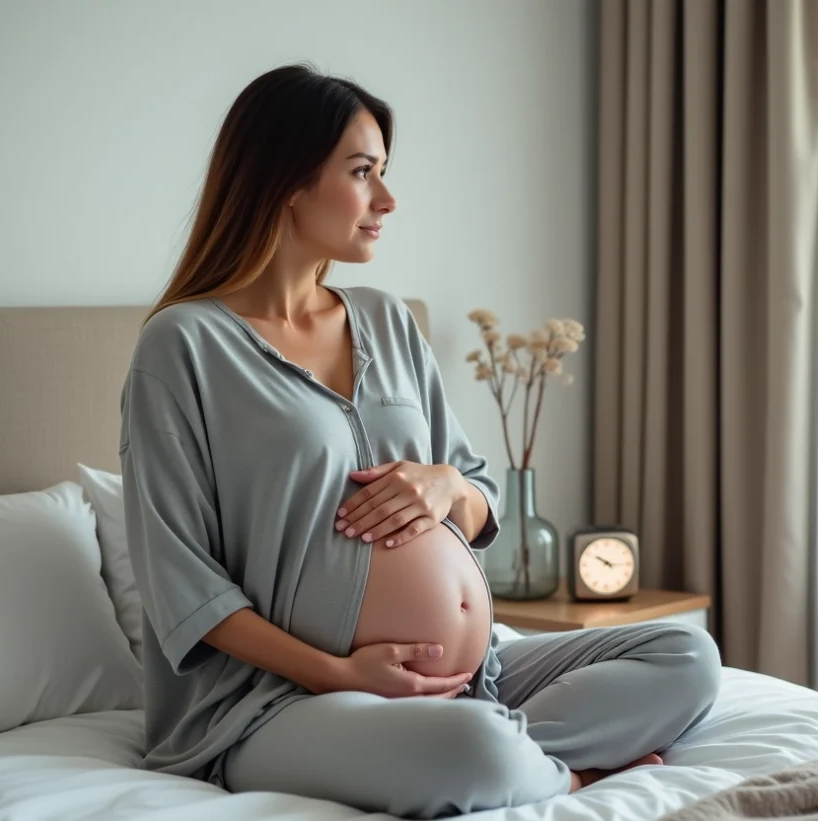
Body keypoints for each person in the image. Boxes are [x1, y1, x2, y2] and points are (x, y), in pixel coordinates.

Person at [119, 62, 721, 820]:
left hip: (480, 672)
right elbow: (186, 589)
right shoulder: (185, 346)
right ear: (287, 180)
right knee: (469, 750)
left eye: (383, 173)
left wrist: (447, 486)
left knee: (687, 657)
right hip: (275, 702)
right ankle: (550, 773)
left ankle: (502, 746)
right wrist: (341, 673)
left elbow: (478, 494)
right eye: (363, 172)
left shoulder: (386, 319)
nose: (387, 200)